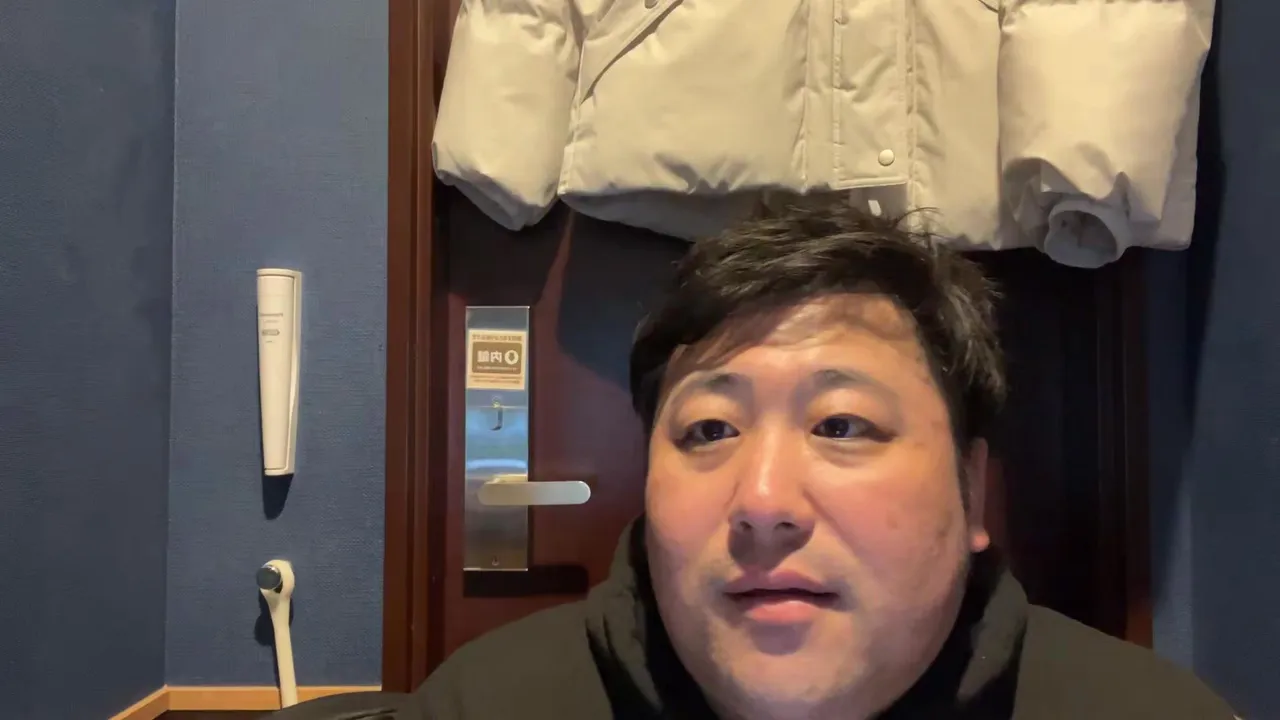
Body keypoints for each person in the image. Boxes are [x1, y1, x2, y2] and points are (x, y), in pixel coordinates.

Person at [311, 202, 1238, 720]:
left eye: (842, 425)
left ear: (971, 486)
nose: (761, 501)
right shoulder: (487, 707)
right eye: (710, 431)